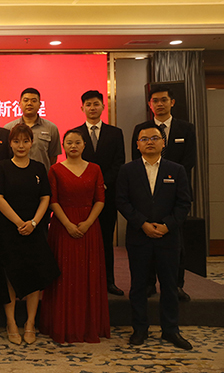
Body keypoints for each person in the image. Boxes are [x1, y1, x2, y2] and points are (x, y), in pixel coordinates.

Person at [117, 126, 193, 350]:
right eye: (144, 139)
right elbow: (122, 201)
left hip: (168, 238)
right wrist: (142, 223)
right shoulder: (127, 170)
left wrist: (168, 225)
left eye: (154, 138)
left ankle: (171, 330)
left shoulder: (176, 170)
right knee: (139, 285)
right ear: (137, 144)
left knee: (169, 285)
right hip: (139, 236)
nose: (149, 142)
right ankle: (140, 329)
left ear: (163, 143)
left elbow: (184, 202)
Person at [0, 124, 60, 345]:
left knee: (34, 274)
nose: (21, 145)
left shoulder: (39, 167)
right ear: (10, 144)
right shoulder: (2, 167)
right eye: (16, 141)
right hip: (8, 229)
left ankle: (30, 323)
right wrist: (19, 222)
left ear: (32, 143)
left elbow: (45, 197)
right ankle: (11, 322)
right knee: (10, 274)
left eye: (25, 141)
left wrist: (34, 222)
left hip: (34, 228)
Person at [40, 129, 110, 344]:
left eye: (77, 142)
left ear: (84, 145)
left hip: (89, 227)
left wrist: (88, 223)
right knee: (64, 276)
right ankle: (63, 325)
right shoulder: (55, 169)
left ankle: (88, 326)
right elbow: (52, 201)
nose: (73, 146)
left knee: (88, 274)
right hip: (63, 227)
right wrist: (68, 224)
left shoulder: (95, 169)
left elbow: (100, 199)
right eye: (69, 142)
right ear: (63, 146)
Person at [130, 85, 196, 302]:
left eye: (163, 100)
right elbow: (136, 162)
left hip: (175, 194)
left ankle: (176, 284)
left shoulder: (186, 128)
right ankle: (149, 283)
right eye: (155, 101)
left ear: (172, 102)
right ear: (149, 105)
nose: (159, 104)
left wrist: (171, 181)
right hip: (146, 195)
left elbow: (189, 160)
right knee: (146, 242)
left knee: (177, 243)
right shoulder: (142, 129)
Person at [74, 90, 126, 296]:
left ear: (103, 106)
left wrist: (102, 183)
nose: (92, 108)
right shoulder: (76, 134)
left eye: (96, 104)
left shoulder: (115, 133)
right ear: (82, 108)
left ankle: (108, 281)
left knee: (105, 239)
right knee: (82, 240)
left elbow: (119, 162)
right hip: (81, 197)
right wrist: (88, 185)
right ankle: (83, 282)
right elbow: (73, 163)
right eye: (88, 104)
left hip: (107, 195)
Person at [4, 88, 61, 173]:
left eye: (34, 101)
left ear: (40, 104)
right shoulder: (8, 128)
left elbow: (53, 157)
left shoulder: (51, 128)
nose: (29, 103)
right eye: (26, 100)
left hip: (42, 175)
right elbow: (6, 154)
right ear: (19, 104)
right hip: (15, 175)